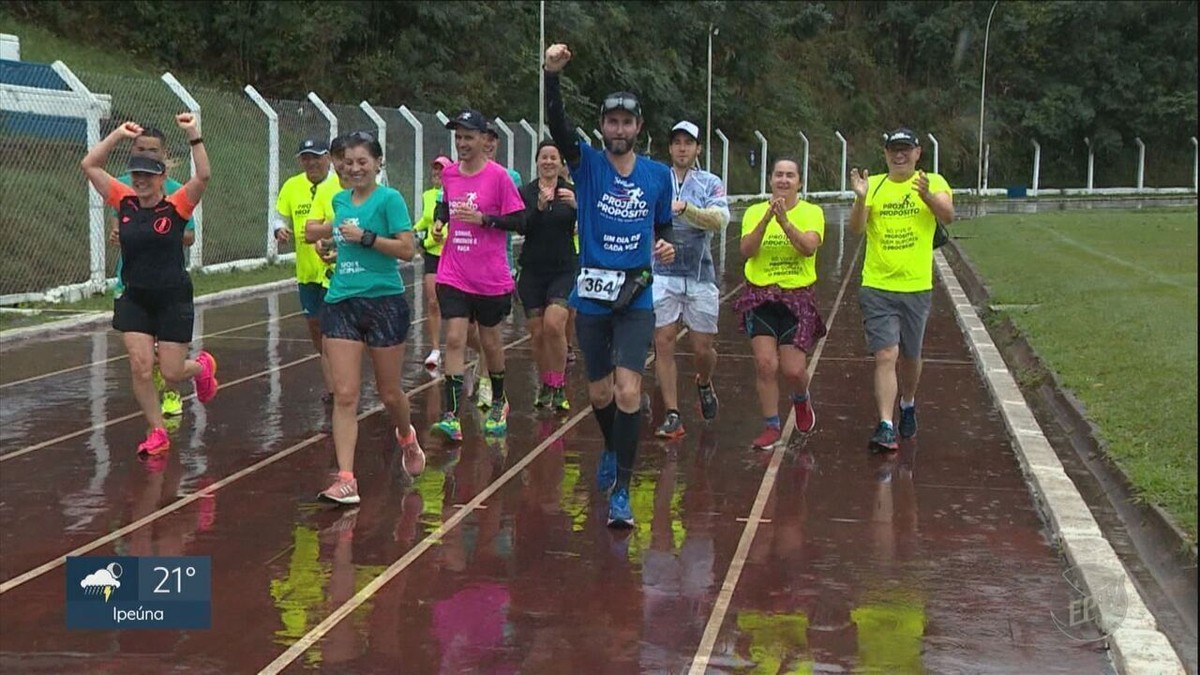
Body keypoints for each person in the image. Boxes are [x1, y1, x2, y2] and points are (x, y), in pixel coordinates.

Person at [543, 43, 676, 527]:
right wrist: (551, 77)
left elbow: (664, 227)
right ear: (603, 127)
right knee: (599, 395)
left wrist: (665, 246)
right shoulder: (589, 166)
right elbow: (558, 130)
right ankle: (611, 447)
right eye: (612, 122)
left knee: (627, 392)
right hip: (594, 296)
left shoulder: (658, 176)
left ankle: (622, 488)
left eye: (627, 122)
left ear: (639, 128)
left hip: (637, 294)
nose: (619, 130)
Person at [81, 115, 218, 456]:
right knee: (141, 365)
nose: (141, 181)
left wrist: (193, 134)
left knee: (171, 371)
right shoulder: (123, 200)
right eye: (136, 174)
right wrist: (116, 134)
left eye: (148, 175)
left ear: (162, 177)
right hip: (134, 297)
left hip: (172, 298)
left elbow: (203, 175)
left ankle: (202, 367)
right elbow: (90, 164)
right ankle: (157, 431)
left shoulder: (177, 206)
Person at [316, 131, 425, 505]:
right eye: (348, 162)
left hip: (384, 303)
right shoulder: (338, 200)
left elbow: (408, 250)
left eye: (363, 161)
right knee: (345, 394)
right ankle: (346, 478)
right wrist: (331, 247)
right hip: (342, 300)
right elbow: (343, 244)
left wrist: (366, 238)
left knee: (389, 392)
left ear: (378, 164)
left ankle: (407, 436)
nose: (354, 168)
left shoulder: (389, 199)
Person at [848, 128, 955, 453]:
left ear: (918, 152)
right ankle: (885, 424)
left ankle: (907, 402)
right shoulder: (875, 185)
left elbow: (949, 215)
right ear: (885, 153)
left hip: (916, 285)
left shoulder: (932, 182)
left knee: (911, 356)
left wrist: (927, 197)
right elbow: (856, 229)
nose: (900, 155)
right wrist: (861, 197)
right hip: (877, 285)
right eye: (894, 150)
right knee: (885, 354)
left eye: (905, 149)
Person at [430, 109, 527, 442]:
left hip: (489, 276)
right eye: (458, 138)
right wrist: (440, 220)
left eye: (468, 137)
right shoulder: (451, 175)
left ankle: (499, 400)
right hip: (453, 270)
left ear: (485, 140)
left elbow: (520, 222)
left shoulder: (500, 178)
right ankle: (451, 415)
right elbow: (445, 203)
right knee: (455, 338)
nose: (462, 144)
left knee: (490, 341)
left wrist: (485, 220)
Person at [732, 157, 826, 450]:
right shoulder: (755, 211)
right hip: (760, 297)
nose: (783, 180)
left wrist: (785, 220)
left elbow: (808, 247)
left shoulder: (812, 212)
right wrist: (767, 219)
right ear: (770, 180)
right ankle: (771, 425)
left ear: (799, 182)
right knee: (765, 364)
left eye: (790, 175)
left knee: (793, 370)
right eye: (778, 175)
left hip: (796, 298)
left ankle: (801, 398)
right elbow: (747, 250)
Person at [106, 126, 195, 420]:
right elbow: (121, 224)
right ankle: (155, 427)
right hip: (130, 279)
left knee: (169, 358)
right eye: (140, 149)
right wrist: (120, 233)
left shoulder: (175, 189)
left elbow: (188, 235)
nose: (145, 155)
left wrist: (160, 233)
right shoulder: (125, 185)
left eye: (152, 150)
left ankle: (172, 391)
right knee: (140, 359)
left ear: (164, 155)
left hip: (167, 281)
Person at [651, 120, 730, 439]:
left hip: (699, 275)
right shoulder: (657, 180)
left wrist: (685, 210)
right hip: (662, 273)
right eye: (677, 142)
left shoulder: (710, 182)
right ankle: (672, 413)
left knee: (702, 348)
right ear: (670, 148)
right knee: (663, 341)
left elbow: (720, 219)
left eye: (688, 143)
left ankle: (703, 381)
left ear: (698, 149)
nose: (682, 147)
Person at [274, 138, 340, 402]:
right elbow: (279, 215)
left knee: (333, 329)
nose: (311, 163)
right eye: (305, 158)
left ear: (327, 158)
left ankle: (337, 388)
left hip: (335, 270)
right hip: (306, 271)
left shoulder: (339, 184)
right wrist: (278, 229)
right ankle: (333, 378)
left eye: (316, 157)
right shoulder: (292, 185)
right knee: (316, 328)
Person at [517, 140, 578, 413]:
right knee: (538, 333)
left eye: (554, 157)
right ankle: (545, 383)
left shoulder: (571, 193)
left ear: (561, 163)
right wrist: (538, 208)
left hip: (563, 269)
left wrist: (579, 207)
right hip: (532, 270)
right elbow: (521, 225)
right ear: (537, 161)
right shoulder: (525, 193)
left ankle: (559, 382)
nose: (549, 162)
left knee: (555, 324)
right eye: (544, 157)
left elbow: (591, 223)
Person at [413, 155, 453, 369]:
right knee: (432, 301)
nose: (437, 174)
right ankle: (436, 348)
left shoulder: (455, 193)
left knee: (455, 303)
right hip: (432, 253)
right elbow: (425, 220)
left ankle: (460, 342)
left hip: (452, 253)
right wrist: (411, 232)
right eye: (435, 170)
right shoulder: (428, 195)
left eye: (442, 170)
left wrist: (441, 236)